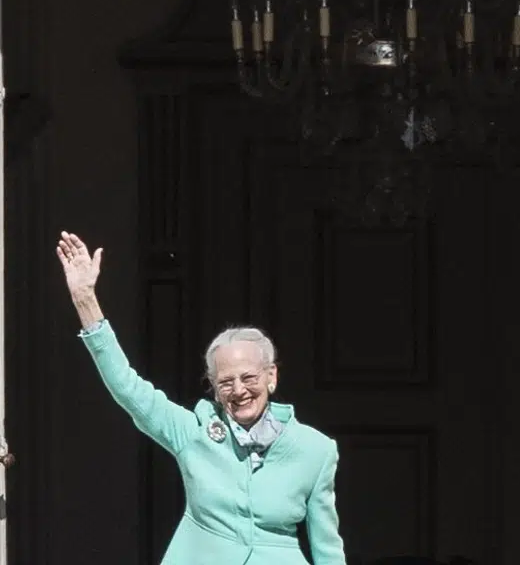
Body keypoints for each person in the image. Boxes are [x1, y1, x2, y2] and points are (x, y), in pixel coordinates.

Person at [56, 231, 347, 565]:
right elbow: (128, 388)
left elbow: (328, 549)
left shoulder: (316, 450)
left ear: (272, 377)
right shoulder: (194, 432)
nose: (239, 390)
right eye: (225, 382)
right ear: (213, 388)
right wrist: (85, 300)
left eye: (249, 377)